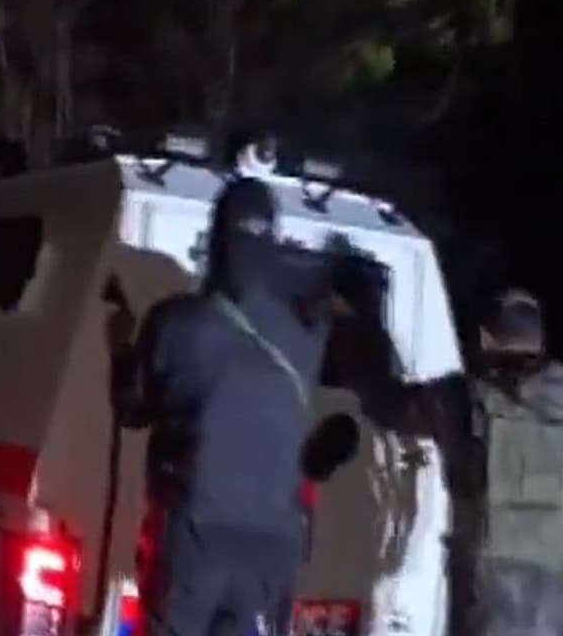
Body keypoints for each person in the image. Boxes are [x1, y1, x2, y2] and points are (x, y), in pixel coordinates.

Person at [113, 178, 354, 636]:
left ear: (216, 241)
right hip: (273, 551)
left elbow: (133, 409)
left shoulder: (176, 323)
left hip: (194, 539)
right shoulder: (309, 333)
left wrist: (121, 351)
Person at [349, 289, 563, 636]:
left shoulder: (463, 400)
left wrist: (363, 315)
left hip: (489, 590)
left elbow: (384, 404)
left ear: (486, 339)